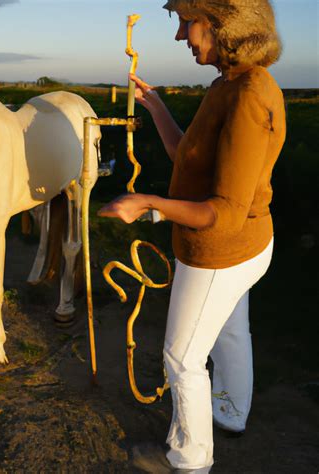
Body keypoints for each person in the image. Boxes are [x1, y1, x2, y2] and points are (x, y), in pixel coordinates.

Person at [98, 0, 286, 470]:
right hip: (244, 245)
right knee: (229, 331)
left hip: (221, 250)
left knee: (181, 358)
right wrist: (156, 104)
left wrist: (148, 203)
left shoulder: (248, 95)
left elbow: (223, 212)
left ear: (224, 23)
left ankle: (189, 461)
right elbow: (185, 151)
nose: (181, 35)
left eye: (187, 22)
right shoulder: (231, 84)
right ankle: (231, 413)